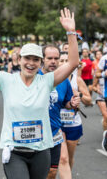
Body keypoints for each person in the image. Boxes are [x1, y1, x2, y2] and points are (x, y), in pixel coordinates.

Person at [0, 8, 79, 179]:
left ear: (41, 62)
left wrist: (71, 32)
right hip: (15, 152)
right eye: (27, 58)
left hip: (41, 151)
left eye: (36, 60)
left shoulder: (47, 81)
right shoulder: (7, 80)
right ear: (19, 60)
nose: (31, 63)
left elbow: (72, 63)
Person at [39, 46, 80, 179]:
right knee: (37, 172)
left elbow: (66, 103)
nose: (53, 61)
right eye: (49, 58)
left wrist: (72, 103)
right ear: (42, 59)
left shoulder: (63, 80)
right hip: (36, 133)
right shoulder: (33, 77)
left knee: (52, 171)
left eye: (56, 58)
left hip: (54, 131)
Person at [58, 52, 92, 177]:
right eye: (61, 60)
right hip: (56, 124)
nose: (63, 63)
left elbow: (89, 101)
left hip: (73, 123)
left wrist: (79, 94)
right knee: (62, 158)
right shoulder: (52, 79)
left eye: (66, 60)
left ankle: (67, 174)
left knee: (68, 157)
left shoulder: (77, 79)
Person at [92, 50, 107, 131]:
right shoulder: (98, 74)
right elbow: (93, 87)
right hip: (101, 97)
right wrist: (97, 90)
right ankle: (106, 135)